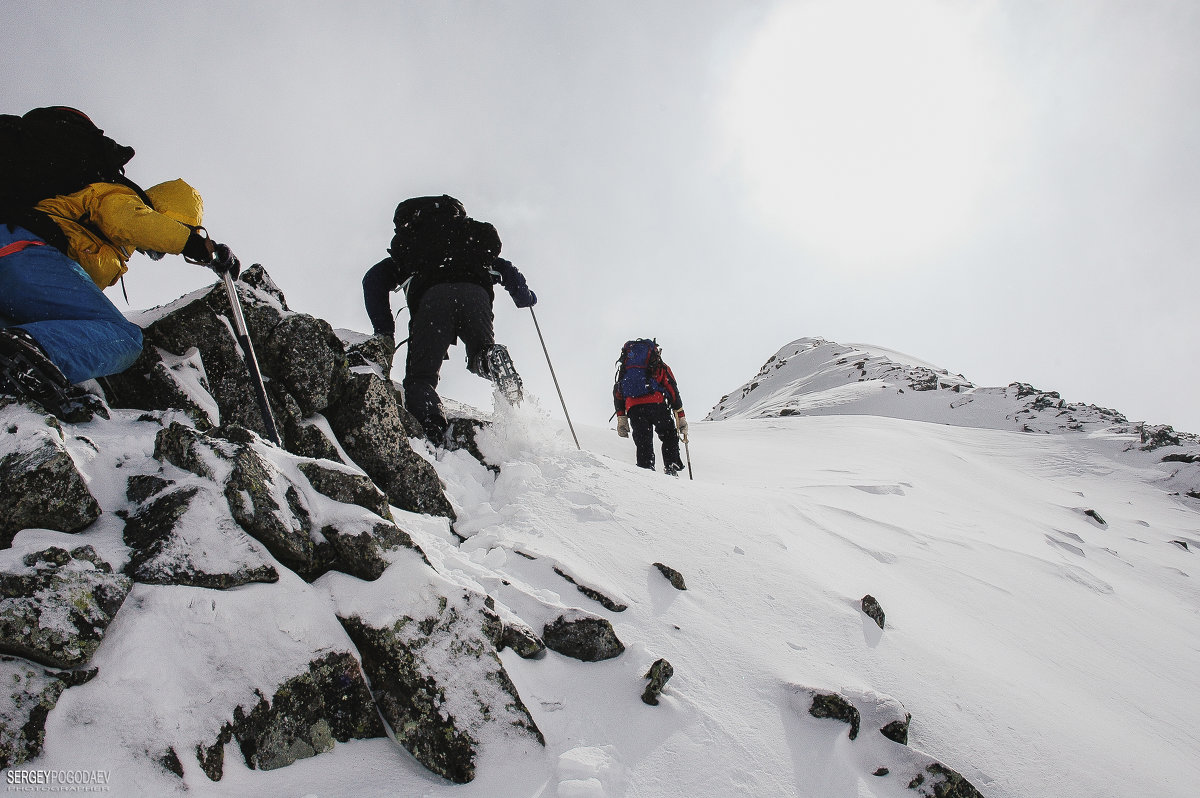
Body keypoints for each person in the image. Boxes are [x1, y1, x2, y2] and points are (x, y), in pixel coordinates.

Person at [0, 106, 238, 415]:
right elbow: (127, 220)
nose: (153, 252)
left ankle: (19, 358)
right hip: (24, 250)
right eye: (156, 249)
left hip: (16, 262)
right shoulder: (120, 197)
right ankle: (24, 354)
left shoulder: (106, 237)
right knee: (124, 338)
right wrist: (194, 243)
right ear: (165, 216)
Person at [361, 194, 536, 442]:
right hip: (476, 295)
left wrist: (385, 332)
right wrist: (524, 296)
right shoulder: (470, 240)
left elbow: (373, 280)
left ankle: (432, 432)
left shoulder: (414, 243)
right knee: (480, 352)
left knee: (420, 378)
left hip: (433, 301)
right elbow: (506, 269)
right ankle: (490, 358)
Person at [612, 338, 688, 475]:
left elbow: (618, 391)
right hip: (656, 404)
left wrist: (621, 417)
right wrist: (680, 415)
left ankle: (646, 471)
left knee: (643, 441)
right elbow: (672, 389)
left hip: (634, 408)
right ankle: (671, 467)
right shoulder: (659, 365)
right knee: (669, 435)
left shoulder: (626, 368)